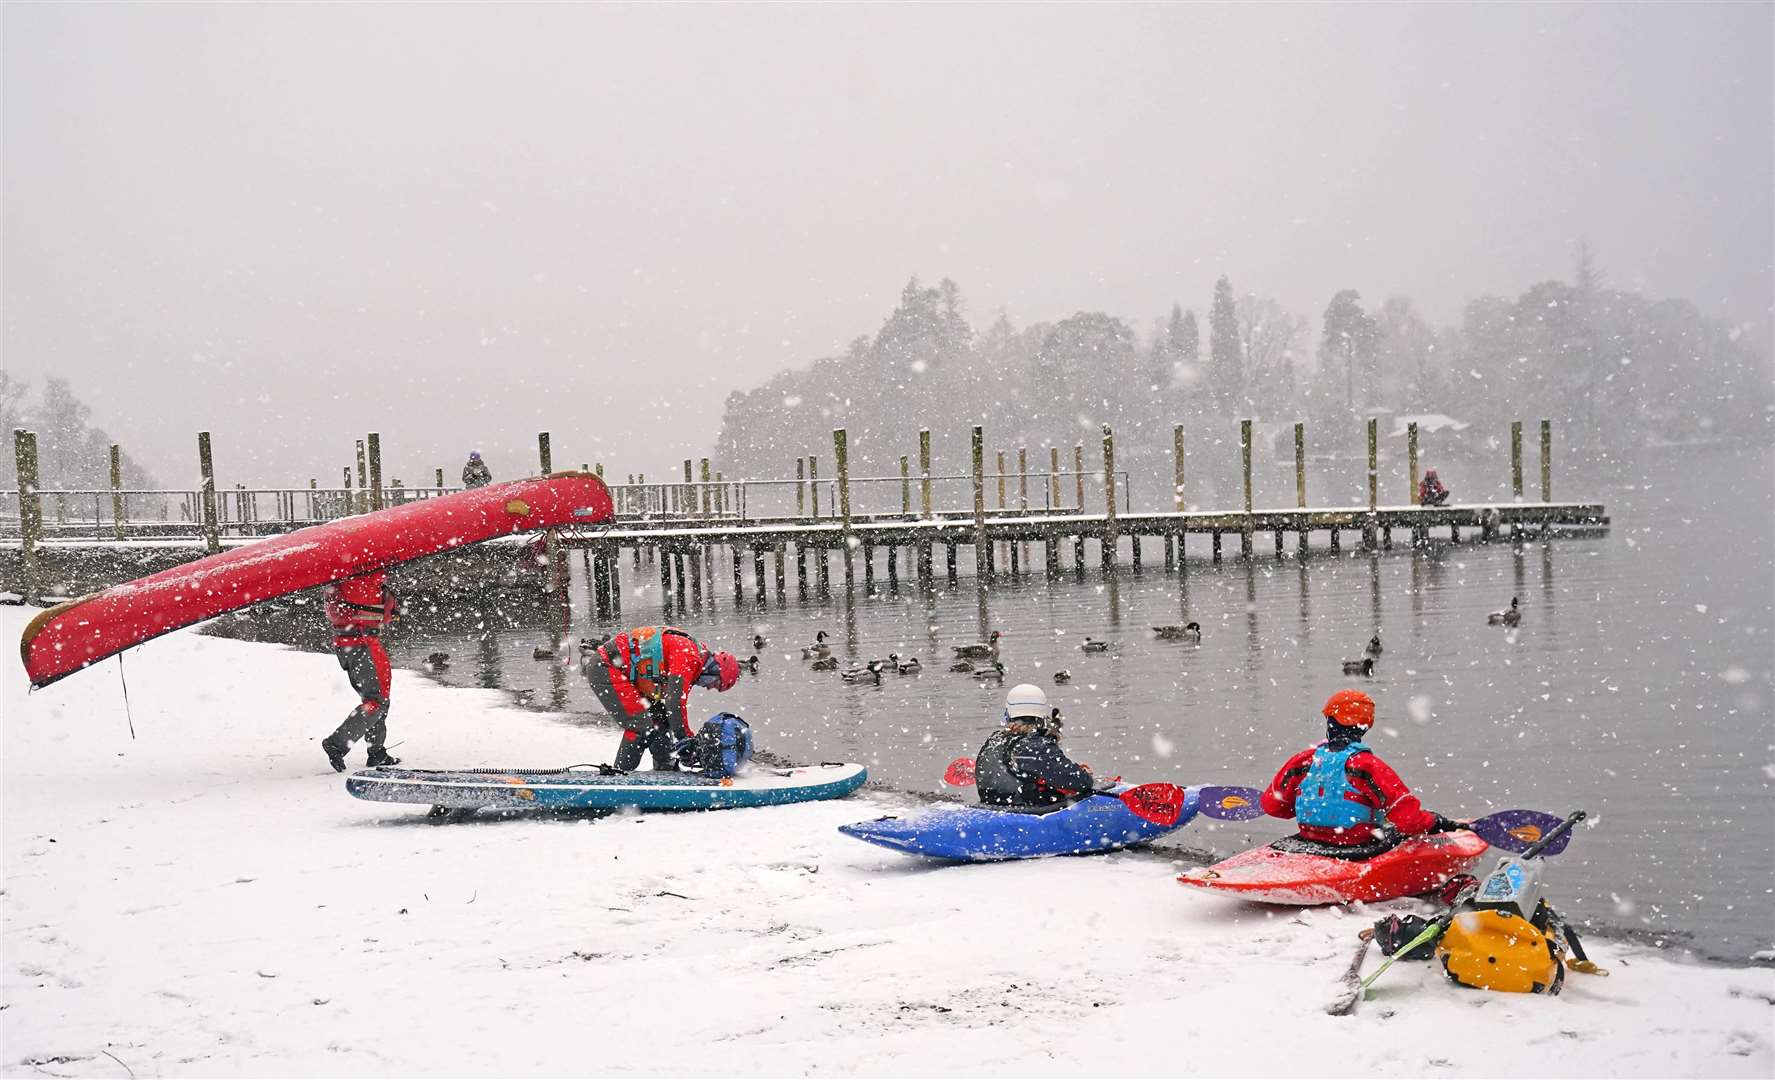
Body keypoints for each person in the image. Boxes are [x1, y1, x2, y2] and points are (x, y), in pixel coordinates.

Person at [1259, 689, 1458, 855]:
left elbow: (1273, 806)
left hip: (1309, 841)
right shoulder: (1369, 766)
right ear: (1365, 726)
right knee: (1403, 828)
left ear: (1329, 720)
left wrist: (1317, 806)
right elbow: (1409, 821)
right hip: (1357, 849)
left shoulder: (1303, 761)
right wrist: (1434, 822)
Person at [578, 626, 741, 771]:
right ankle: (618, 778)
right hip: (606, 667)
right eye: (715, 683)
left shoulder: (695, 657)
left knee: (660, 720)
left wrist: (683, 738)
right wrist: (685, 738)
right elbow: (674, 701)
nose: (709, 687)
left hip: (623, 670)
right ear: (716, 668)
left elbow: (673, 706)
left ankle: (665, 769)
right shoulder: (690, 657)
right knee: (641, 726)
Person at [321, 571, 401, 772]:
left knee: (373, 699)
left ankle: (377, 753)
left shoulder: (339, 577)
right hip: (364, 644)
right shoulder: (368, 579)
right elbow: (389, 615)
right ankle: (337, 744)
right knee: (378, 702)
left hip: (345, 645)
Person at [975, 683, 1096, 808]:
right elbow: (1079, 782)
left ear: (1008, 714)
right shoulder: (1036, 746)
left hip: (991, 808)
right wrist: (1084, 774)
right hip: (1025, 813)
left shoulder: (994, 740)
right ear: (1041, 715)